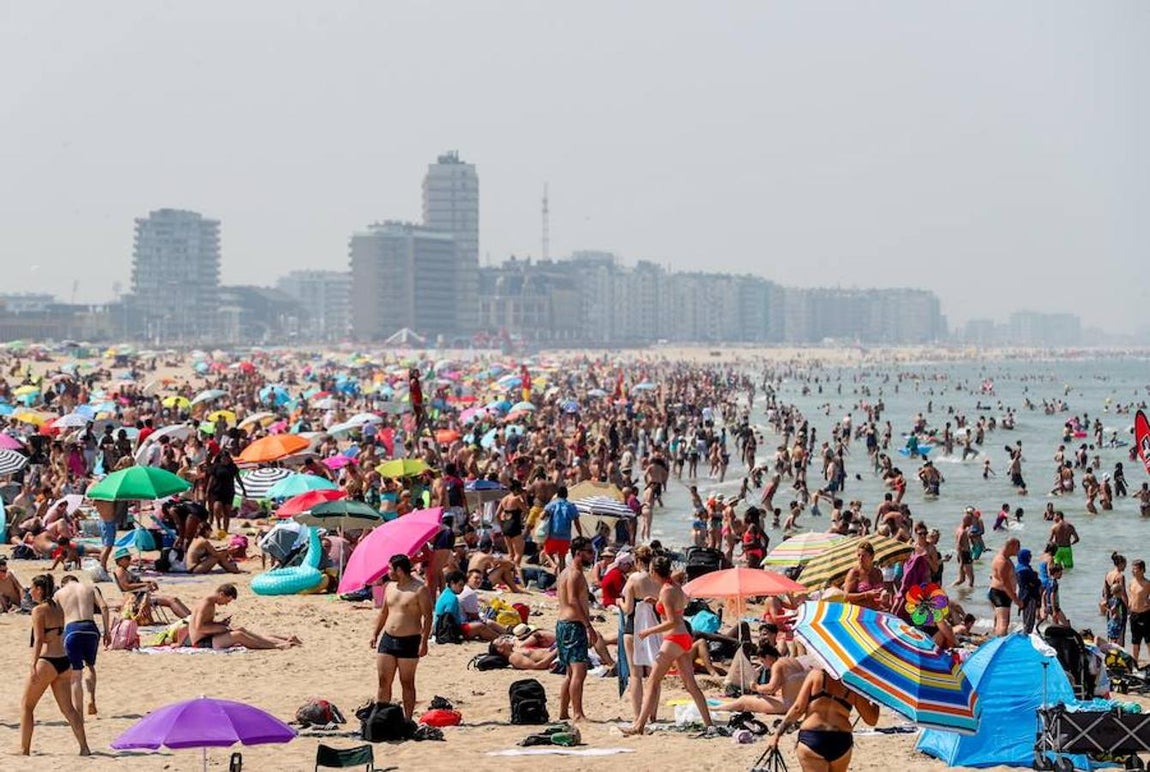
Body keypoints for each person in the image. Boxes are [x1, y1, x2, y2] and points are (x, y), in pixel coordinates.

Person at [623, 555, 715, 736]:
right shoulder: (675, 587)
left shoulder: (666, 591)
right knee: (690, 684)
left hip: (673, 639)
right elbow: (677, 607)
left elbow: (672, 621)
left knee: (652, 681)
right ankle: (709, 723)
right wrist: (656, 602)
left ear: (654, 572)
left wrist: (649, 631)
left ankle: (638, 725)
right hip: (684, 638)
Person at [20, 574, 91, 756]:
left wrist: (32, 664)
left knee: (27, 705)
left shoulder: (39, 611)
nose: (30, 592)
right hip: (65, 661)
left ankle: (24, 749)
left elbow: (38, 640)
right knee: (68, 709)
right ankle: (84, 747)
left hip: (48, 661)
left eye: (32, 588)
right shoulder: (60, 608)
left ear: (40, 589)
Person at [767, 668, 879, 771]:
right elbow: (871, 720)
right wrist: (876, 699)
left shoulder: (816, 675)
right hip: (840, 741)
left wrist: (777, 735)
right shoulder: (853, 683)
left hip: (812, 738)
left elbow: (798, 708)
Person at [370, 554, 433, 720]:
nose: (388, 571)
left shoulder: (419, 589)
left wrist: (424, 642)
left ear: (399, 570)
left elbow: (428, 616)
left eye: (390, 568)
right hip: (388, 639)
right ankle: (381, 717)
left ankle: (407, 718)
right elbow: (384, 612)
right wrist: (375, 634)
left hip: (410, 640)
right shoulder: (390, 587)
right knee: (384, 681)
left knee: (407, 682)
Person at [555, 536, 598, 722]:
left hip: (563, 624)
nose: (593, 554)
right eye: (589, 551)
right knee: (579, 672)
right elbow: (573, 601)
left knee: (570, 673)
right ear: (578, 553)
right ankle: (578, 714)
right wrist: (589, 626)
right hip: (573, 625)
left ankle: (564, 712)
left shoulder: (564, 572)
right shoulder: (575, 574)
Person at [55, 575, 110, 716]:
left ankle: (79, 713)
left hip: (72, 629)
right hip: (91, 628)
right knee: (90, 666)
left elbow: (55, 616)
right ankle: (91, 699)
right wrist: (107, 631)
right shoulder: (91, 588)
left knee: (76, 673)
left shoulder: (59, 593)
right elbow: (104, 607)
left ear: (63, 583)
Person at [188, 583, 300, 650]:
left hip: (208, 637)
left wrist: (220, 624)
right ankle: (276, 645)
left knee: (241, 630)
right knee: (239, 635)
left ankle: (283, 639)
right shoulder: (206, 604)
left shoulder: (209, 602)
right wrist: (224, 628)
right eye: (227, 601)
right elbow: (200, 628)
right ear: (221, 594)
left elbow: (205, 624)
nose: (226, 604)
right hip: (201, 642)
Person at [713, 646, 811, 715]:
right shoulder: (791, 660)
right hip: (799, 703)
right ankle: (720, 707)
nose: (764, 665)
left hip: (787, 705)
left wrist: (756, 687)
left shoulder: (777, 665)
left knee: (744, 700)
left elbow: (771, 688)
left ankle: (715, 709)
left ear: (768, 657)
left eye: (763, 661)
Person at [112, 549, 192, 619]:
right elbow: (126, 587)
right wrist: (144, 585)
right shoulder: (120, 571)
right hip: (138, 599)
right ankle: (188, 618)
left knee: (174, 599)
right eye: (127, 558)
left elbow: (131, 584)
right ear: (120, 560)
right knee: (171, 600)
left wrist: (147, 582)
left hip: (141, 595)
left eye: (129, 558)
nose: (129, 560)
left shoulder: (124, 570)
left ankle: (190, 617)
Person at [541, 485, 584, 571]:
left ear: (557, 494)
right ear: (566, 495)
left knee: (546, 553)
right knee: (562, 558)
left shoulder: (552, 504)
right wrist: (580, 534)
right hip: (565, 536)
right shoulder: (571, 506)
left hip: (552, 534)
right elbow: (576, 522)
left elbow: (542, 516)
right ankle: (561, 576)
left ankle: (553, 565)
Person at [988, 537, 1022, 637]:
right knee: (1003, 623)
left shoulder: (1004, 558)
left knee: (999, 621)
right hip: (1000, 594)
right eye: (1017, 547)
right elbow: (1005, 583)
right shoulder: (1002, 562)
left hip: (1000, 593)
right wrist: (1017, 600)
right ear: (1011, 546)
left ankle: (994, 640)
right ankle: (999, 645)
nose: (1018, 550)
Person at [843, 540, 884, 610]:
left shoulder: (878, 572)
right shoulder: (854, 573)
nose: (860, 558)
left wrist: (884, 596)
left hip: (876, 610)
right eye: (859, 555)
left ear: (872, 556)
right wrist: (866, 594)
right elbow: (846, 596)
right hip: (858, 611)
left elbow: (880, 593)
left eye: (863, 556)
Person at [1102, 552, 1130, 647]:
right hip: (1119, 605)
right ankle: (1121, 651)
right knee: (1121, 631)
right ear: (1121, 563)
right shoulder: (1120, 576)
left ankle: (1110, 650)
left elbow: (1105, 592)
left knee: (1111, 628)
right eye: (1125, 564)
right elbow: (1123, 594)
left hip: (1110, 604)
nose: (1125, 567)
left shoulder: (1108, 574)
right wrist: (1128, 607)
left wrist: (1107, 604)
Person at [1128, 559, 1149, 667]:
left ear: (1142, 570)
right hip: (1133, 615)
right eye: (1132, 569)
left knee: (1148, 641)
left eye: (1135, 569)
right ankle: (1135, 664)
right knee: (1135, 641)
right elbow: (1131, 597)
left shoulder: (1147, 584)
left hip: (1145, 615)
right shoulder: (1131, 582)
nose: (1132, 571)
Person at [1015, 549, 1042, 635]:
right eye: (1029, 556)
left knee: (1025, 617)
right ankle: (1027, 635)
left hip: (1022, 595)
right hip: (1030, 595)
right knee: (1030, 618)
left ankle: (1025, 633)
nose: (1030, 558)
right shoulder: (1025, 570)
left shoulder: (1018, 568)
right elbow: (1034, 582)